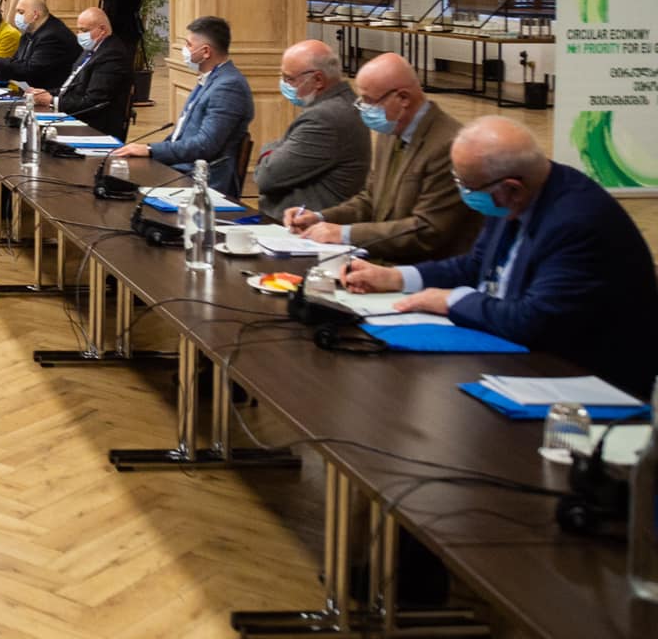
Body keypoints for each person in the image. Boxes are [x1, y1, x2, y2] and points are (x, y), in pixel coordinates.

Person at [340, 117, 658, 391]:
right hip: (515, 355)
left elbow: (532, 320)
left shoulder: (576, 223)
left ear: (512, 187)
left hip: (583, 381)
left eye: (467, 186)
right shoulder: (514, 193)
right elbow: (476, 265)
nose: (463, 193)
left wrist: (450, 301)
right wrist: (396, 277)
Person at [285, 53, 478, 263]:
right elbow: (370, 200)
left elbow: (427, 230)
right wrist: (320, 218)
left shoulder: (447, 145)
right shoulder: (391, 130)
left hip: (420, 268)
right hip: (381, 260)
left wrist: (345, 234)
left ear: (403, 98)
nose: (362, 108)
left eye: (369, 101)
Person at [108, 15, 252, 198]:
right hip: (180, 170)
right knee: (113, 174)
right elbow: (180, 136)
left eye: (189, 45)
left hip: (201, 181)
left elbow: (205, 145)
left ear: (206, 52)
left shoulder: (229, 86)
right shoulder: (211, 79)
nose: (185, 50)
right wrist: (149, 151)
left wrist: (150, 150)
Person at [251, 40, 369, 221]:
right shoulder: (338, 104)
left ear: (318, 80)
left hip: (303, 226)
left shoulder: (325, 118)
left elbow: (266, 177)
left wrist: (270, 148)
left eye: (289, 79)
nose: (284, 84)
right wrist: (280, 147)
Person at [27, 8, 134, 140]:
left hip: (95, 126)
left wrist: (52, 100)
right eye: (78, 30)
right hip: (75, 116)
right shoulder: (90, 50)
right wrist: (44, 93)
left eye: (84, 30)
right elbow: (70, 86)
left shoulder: (112, 55)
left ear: (102, 30)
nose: (80, 35)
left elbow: (93, 102)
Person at [0, 0, 76, 92]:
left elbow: (32, 70)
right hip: (33, 92)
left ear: (35, 15)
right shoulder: (28, 34)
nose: (17, 16)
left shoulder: (52, 35)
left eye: (21, 12)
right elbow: (17, 62)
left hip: (52, 94)